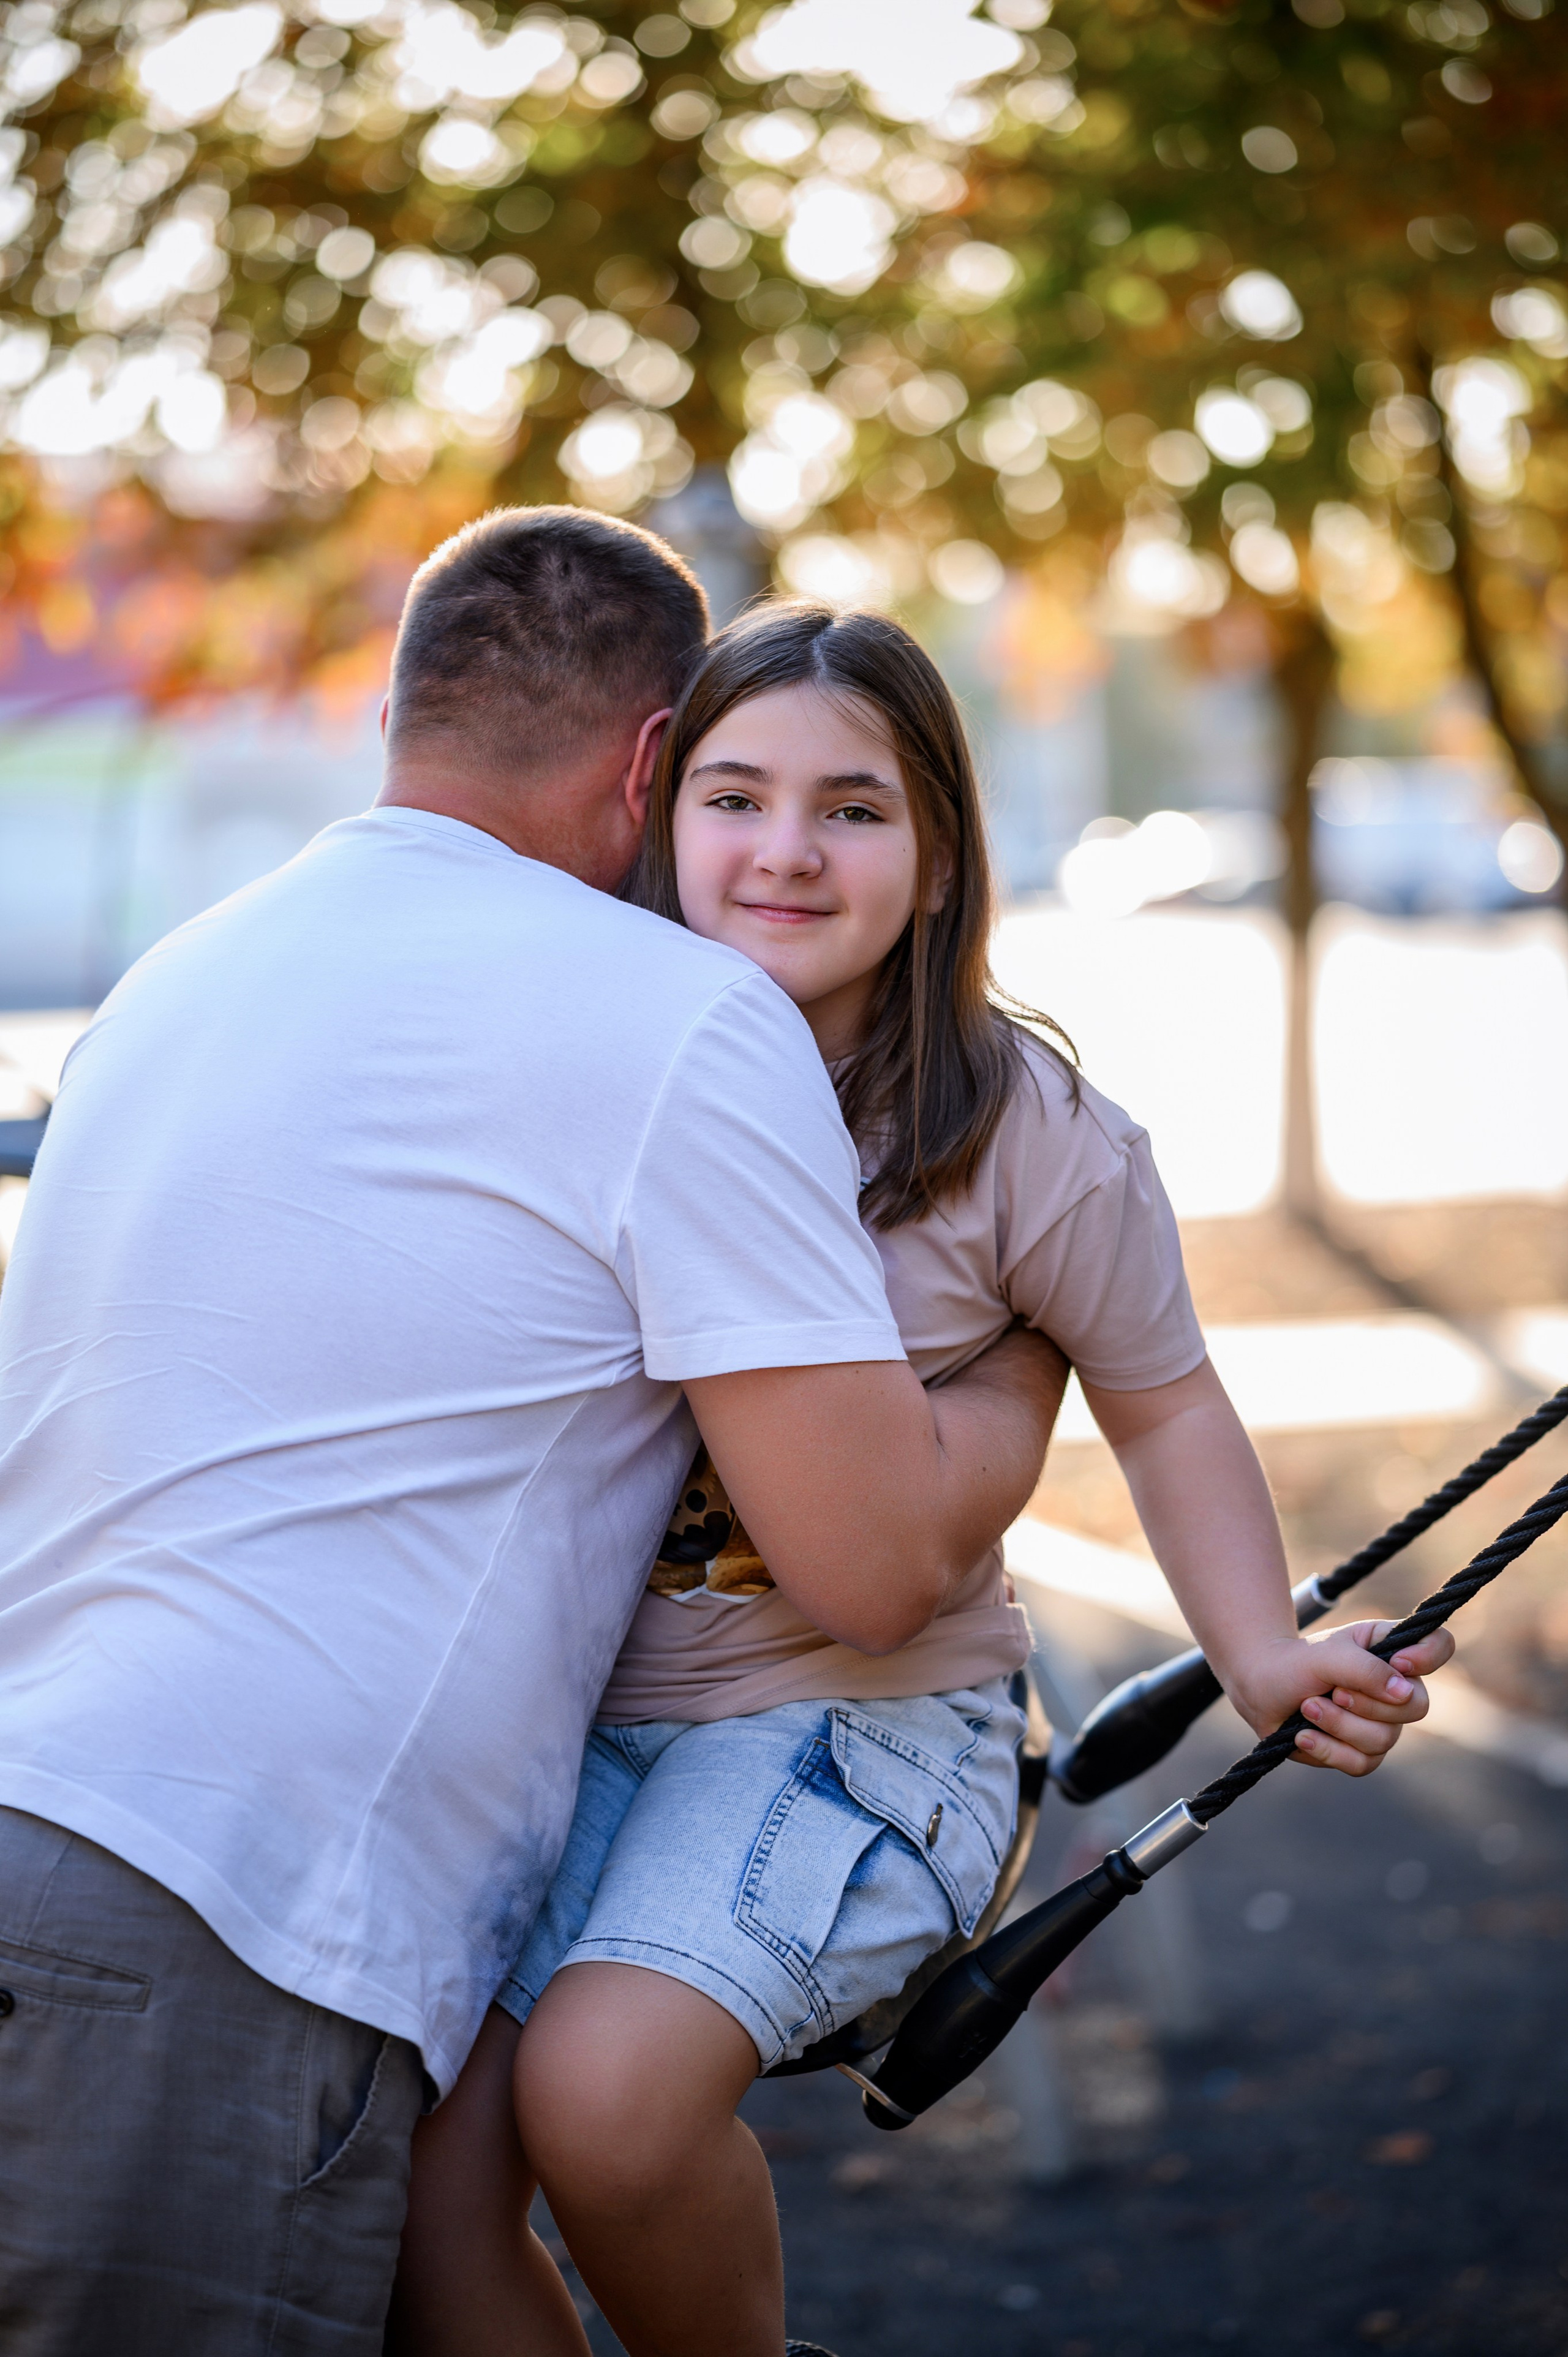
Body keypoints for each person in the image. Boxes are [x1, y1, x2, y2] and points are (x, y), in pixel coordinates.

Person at [0, 516, 1067, 2357]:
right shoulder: (674, 1017)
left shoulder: (176, 979)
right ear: (654, 762)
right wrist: (1021, 1368)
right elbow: (874, 1568)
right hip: (231, 1896)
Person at [393, 601, 1456, 2357]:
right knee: (426, 2195)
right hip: (563, 1735)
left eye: (855, 809)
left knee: (604, 2098)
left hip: (857, 1734)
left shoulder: (1019, 1131)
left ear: (943, 852)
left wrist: (1264, 1650)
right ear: (653, 822)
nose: (786, 852)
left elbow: (1168, 1401)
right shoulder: (573, 1073)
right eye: (733, 797)